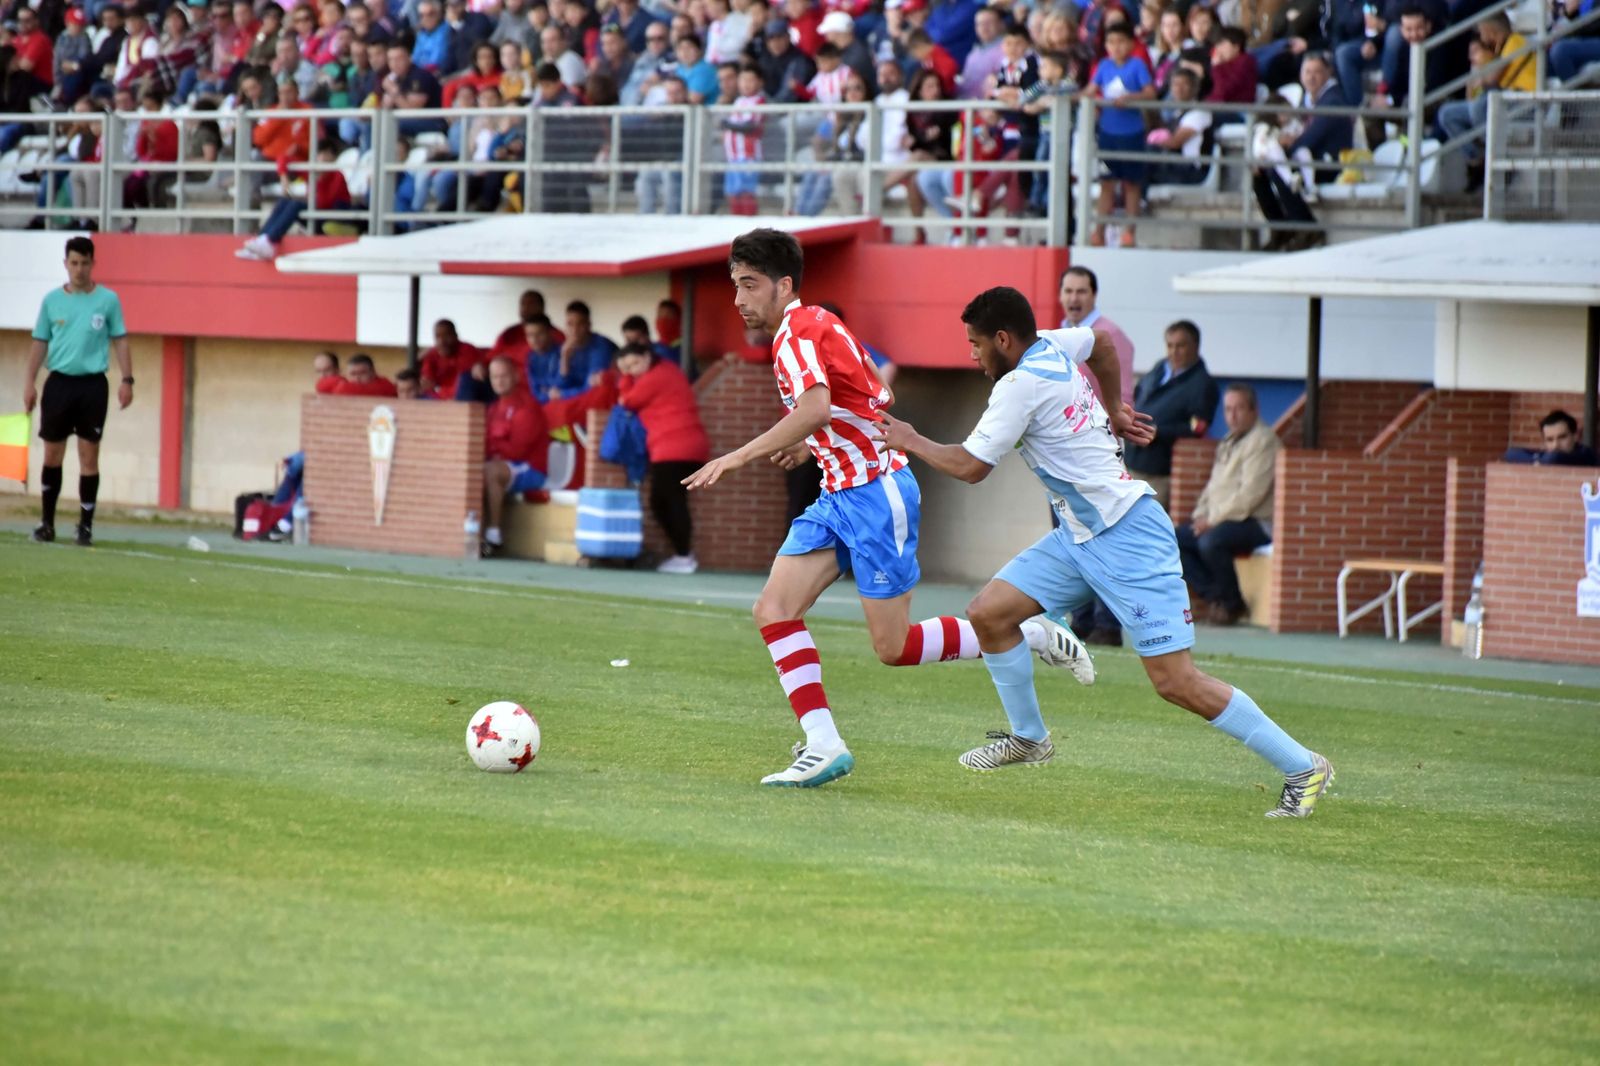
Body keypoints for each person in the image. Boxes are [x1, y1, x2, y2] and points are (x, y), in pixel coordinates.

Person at [874, 286, 1335, 818]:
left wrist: (910, 438)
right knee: (989, 613)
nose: (972, 356)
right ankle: (1029, 739)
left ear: (1003, 339)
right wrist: (1115, 407)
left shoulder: (1017, 387)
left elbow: (971, 467)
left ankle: (1303, 766)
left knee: (1176, 681)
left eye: (976, 345)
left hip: (1130, 536)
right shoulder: (1050, 343)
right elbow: (1106, 345)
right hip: (1079, 535)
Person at [682, 229, 1089, 788]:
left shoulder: (795, 336)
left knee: (893, 649)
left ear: (783, 286)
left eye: (749, 285)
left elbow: (818, 405)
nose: (739, 299)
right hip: (838, 494)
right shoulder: (820, 321)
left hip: (876, 494)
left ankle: (1034, 631)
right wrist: (819, 442)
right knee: (774, 607)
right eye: (735, 286)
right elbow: (874, 393)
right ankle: (823, 745)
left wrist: (739, 455)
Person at [22, 237, 132, 548]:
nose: (79, 269)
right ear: (65, 264)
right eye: (74, 263)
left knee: (89, 455)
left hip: (92, 385)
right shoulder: (51, 301)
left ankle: (85, 526)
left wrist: (128, 379)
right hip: (59, 383)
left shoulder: (108, 300)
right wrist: (29, 382)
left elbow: (121, 339)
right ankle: (47, 523)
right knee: (52, 454)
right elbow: (39, 343)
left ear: (93, 264)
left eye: (84, 263)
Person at [1175, 383, 1280, 625]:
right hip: (1223, 519)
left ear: (1254, 410)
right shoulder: (1229, 441)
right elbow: (1213, 487)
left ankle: (1232, 604)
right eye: (1228, 409)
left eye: (1239, 409)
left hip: (1255, 522)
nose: (1232, 416)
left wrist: (1211, 522)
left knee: (1212, 540)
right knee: (1174, 539)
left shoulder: (1263, 441)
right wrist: (1201, 517)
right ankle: (1217, 598)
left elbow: (1249, 496)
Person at [615, 341, 711, 573]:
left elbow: (628, 401)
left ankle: (684, 556)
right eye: (626, 367)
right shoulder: (667, 371)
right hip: (676, 446)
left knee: (668, 502)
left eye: (635, 364)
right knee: (666, 501)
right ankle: (682, 555)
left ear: (648, 357)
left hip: (675, 447)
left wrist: (625, 378)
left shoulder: (657, 376)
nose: (632, 370)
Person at [1122, 319, 1218, 511]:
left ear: (1196, 346)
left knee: (1147, 527)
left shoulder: (1202, 384)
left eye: (1181, 346)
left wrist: (1159, 432)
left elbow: (1197, 428)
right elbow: (1140, 392)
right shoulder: (1161, 367)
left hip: (1158, 471)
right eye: (1170, 345)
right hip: (1132, 461)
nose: (1174, 352)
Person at [1088, 24, 1155, 247]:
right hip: (1108, 132)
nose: (1116, 47)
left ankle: (1129, 232)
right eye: (1111, 42)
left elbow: (1150, 93)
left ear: (1130, 44)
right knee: (1107, 183)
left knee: (1131, 185)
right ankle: (1099, 231)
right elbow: (1090, 89)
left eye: (1120, 42)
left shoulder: (1137, 66)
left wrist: (1130, 98)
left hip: (1132, 133)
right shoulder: (1104, 66)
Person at [481, 355, 551, 555]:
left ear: (516, 376)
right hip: (504, 466)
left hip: (532, 469)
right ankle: (473, 534)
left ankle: (493, 536)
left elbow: (518, 451)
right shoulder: (493, 408)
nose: (499, 381)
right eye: (494, 377)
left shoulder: (527, 407)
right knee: (476, 470)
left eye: (503, 376)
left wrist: (495, 447)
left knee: (491, 470)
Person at [1504, 410, 1599, 466]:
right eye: (1550, 439)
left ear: (1575, 436)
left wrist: (1538, 461)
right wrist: (1538, 459)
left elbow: (1555, 458)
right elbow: (1510, 454)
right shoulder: (1545, 456)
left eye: (1562, 437)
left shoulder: (1586, 454)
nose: (1555, 445)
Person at [419, 318, 485, 398]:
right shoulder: (431, 355)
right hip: (439, 399)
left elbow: (464, 386)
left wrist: (440, 390)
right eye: (437, 337)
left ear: (456, 336)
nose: (442, 342)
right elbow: (427, 385)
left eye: (446, 336)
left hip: (462, 399)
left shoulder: (467, 351)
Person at [561, 300, 618, 389]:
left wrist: (563, 394)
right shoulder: (566, 347)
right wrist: (565, 358)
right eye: (570, 324)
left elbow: (591, 386)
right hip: (577, 395)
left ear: (589, 325)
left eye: (580, 324)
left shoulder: (601, 346)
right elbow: (562, 385)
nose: (575, 330)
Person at [332, 353, 399, 396]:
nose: (357, 378)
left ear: (373, 372)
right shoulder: (341, 385)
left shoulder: (385, 386)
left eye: (362, 373)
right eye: (353, 374)